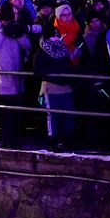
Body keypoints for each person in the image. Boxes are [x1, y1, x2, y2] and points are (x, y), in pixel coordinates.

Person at [0, 2, 32, 148]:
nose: (16, 15)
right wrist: (3, 32)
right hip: (3, 75)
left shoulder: (17, 27)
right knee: (6, 112)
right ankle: (6, 140)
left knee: (16, 110)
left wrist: (17, 34)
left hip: (17, 74)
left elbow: (27, 46)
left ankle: (16, 139)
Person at [34, 22, 77, 150]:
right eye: (53, 35)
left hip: (65, 86)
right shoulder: (41, 53)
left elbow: (69, 66)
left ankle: (66, 139)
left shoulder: (63, 50)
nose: (56, 37)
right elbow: (38, 70)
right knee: (53, 116)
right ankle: (53, 140)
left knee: (68, 115)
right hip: (50, 87)